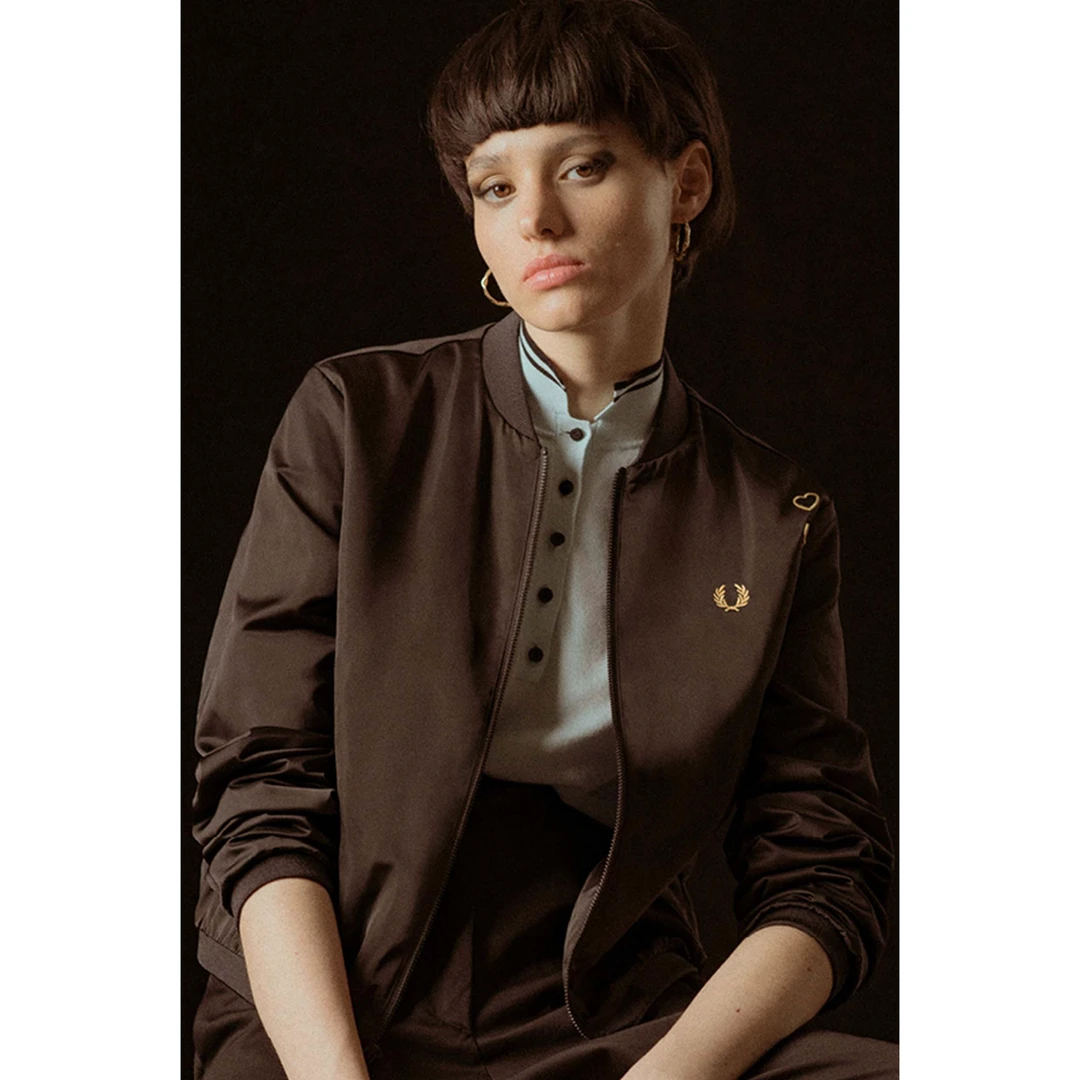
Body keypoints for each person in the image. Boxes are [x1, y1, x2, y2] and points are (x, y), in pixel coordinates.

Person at [191, 1, 896, 1077]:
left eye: (584, 167)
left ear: (686, 185)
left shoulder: (772, 514)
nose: (538, 220)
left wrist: (669, 1075)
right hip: (338, 988)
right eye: (496, 186)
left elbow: (823, 869)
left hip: (615, 1008)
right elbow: (260, 786)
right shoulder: (356, 421)